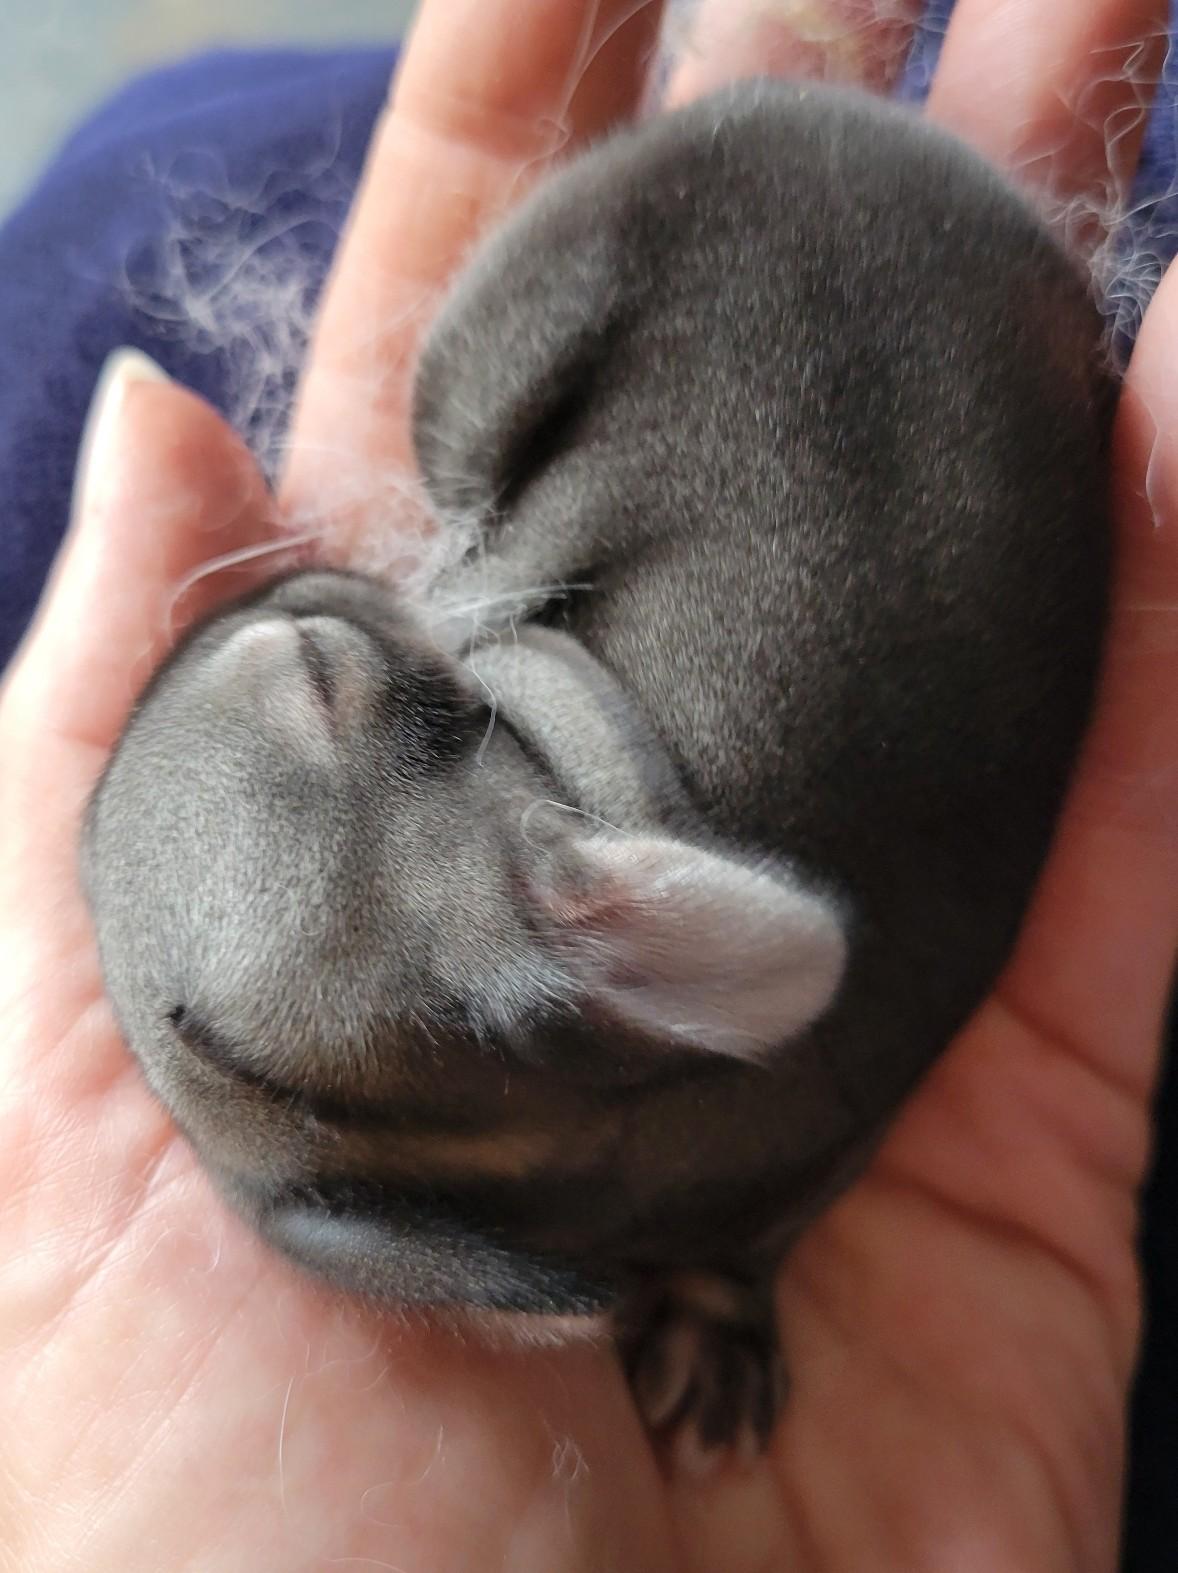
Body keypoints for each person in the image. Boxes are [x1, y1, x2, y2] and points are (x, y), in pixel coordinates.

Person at [0, 1, 1175, 1566]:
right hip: (867, 306)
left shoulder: (630, 1176)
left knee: (141, 179)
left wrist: (716, 1283)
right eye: (309, 660)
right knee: (159, 167)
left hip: (825, 267)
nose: (287, 596)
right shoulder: (613, 985)